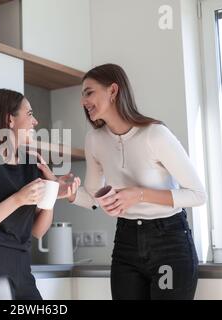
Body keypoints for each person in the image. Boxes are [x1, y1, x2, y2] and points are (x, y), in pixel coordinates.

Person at [57, 63, 205, 299]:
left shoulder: (155, 134)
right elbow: (94, 197)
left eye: (89, 92)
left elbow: (198, 195)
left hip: (169, 242)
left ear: (113, 90)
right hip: (126, 241)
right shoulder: (94, 140)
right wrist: (69, 192)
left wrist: (139, 194)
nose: (83, 101)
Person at [0, 88, 80, 300]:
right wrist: (19, 199)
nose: (36, 122)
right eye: (30, 114)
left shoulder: (30, 167)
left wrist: (50, 194)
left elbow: (37, 231)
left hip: (22, 271)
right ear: (10, 120)